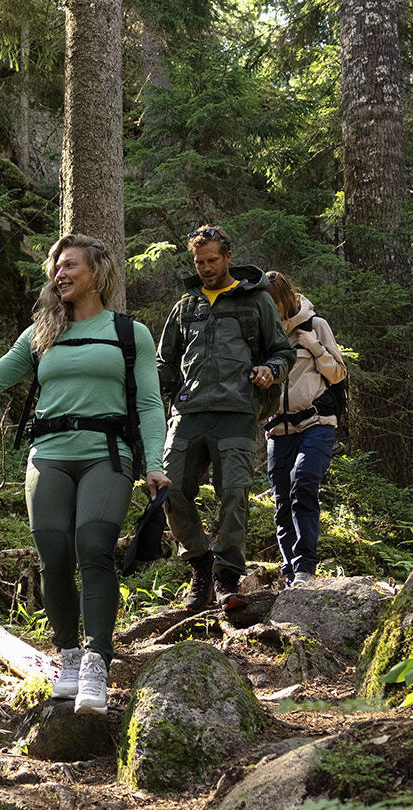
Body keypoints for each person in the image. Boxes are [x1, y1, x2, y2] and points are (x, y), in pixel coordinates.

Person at [0, 234, 169, 715]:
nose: (59, 274)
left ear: (96, 273)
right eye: (56, 268)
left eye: (69, 266)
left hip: (106, 455)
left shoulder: (130, 333)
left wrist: (155, 463)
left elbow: (150, 404)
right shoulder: (41, 333)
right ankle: (69, 656)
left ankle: (97, 664)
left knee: (93, 548)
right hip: (48, 456)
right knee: (54, 557)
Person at [156, 225, 295, 613]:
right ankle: (200, 564)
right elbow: (165, 362)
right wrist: (150, 392)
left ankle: (226, 577)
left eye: (212, 260)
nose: (205, 268)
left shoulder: (256, 301)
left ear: (228, 258)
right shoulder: (186, 306)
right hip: (187, 413)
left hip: (236, 412)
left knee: (233, 493)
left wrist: (270, 370)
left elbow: (283, 352)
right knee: (170, 488)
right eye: (199, 262)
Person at [262, 270, 347, 586]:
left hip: (316, 423)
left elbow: (338, 373)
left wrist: (315, 348)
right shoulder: (262, 335)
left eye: (272, 303)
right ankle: (291, 574)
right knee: (282, 501)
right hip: (278, 430)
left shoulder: (315, 326)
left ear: (285, 299)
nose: (268, 310)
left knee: (303, 484)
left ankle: (305, 568)